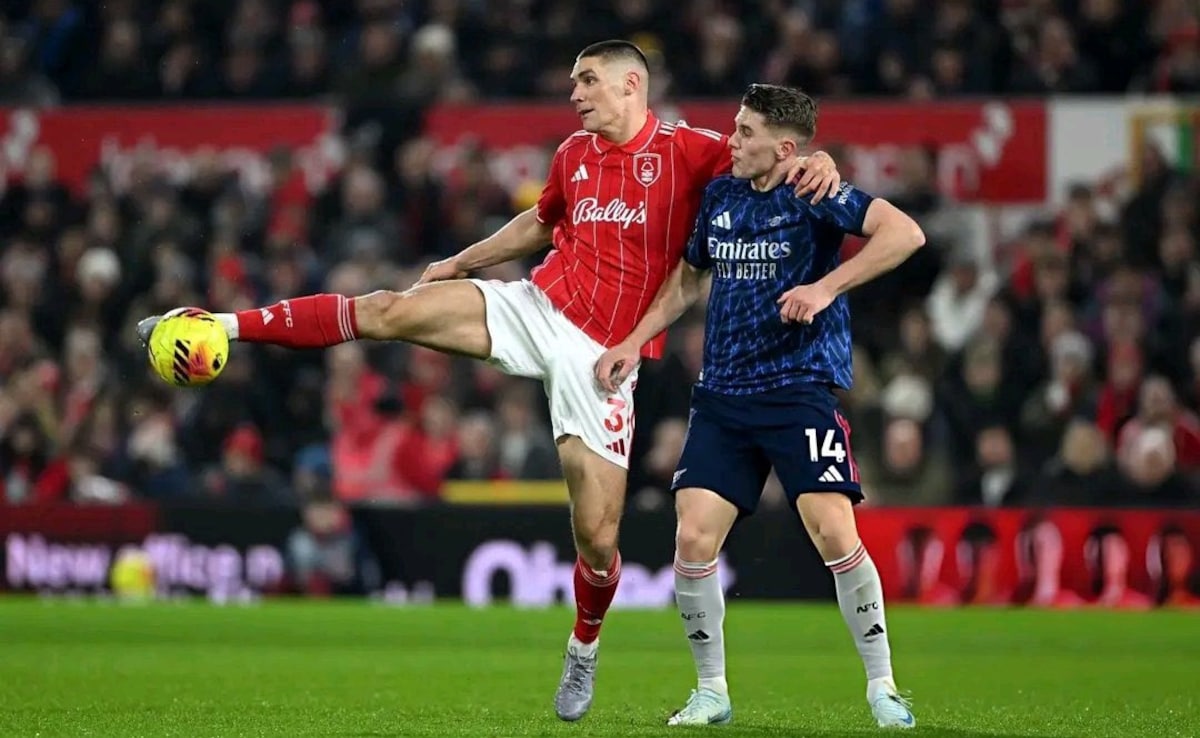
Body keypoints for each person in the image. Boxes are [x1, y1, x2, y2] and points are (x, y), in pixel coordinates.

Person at [137, 41, 842, 722]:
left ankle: (584, 645)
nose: (574, 93)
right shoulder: (573, 155)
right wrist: (463, 261)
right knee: (387, 309)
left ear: (631, 84)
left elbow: (772, 155)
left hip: (601, 355)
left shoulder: (694, 150)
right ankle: (217, 323)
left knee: (597, 539)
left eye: (587, 80)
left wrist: (819, 162)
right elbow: (540, 224)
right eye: (574, 81)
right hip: (536, 306)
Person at [595, 83, 924, 728]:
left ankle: (883, 687)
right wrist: (634, 341)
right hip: (723, 396)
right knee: (692, 537)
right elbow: (688, 278)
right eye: (735, 127)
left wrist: (826, 287)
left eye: (746, 133)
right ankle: (711, 691)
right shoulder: (721, 195)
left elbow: (904, 233)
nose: (733, 141)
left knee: (835, 532)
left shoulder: (816, 192)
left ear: (786, 148)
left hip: (798, 390)